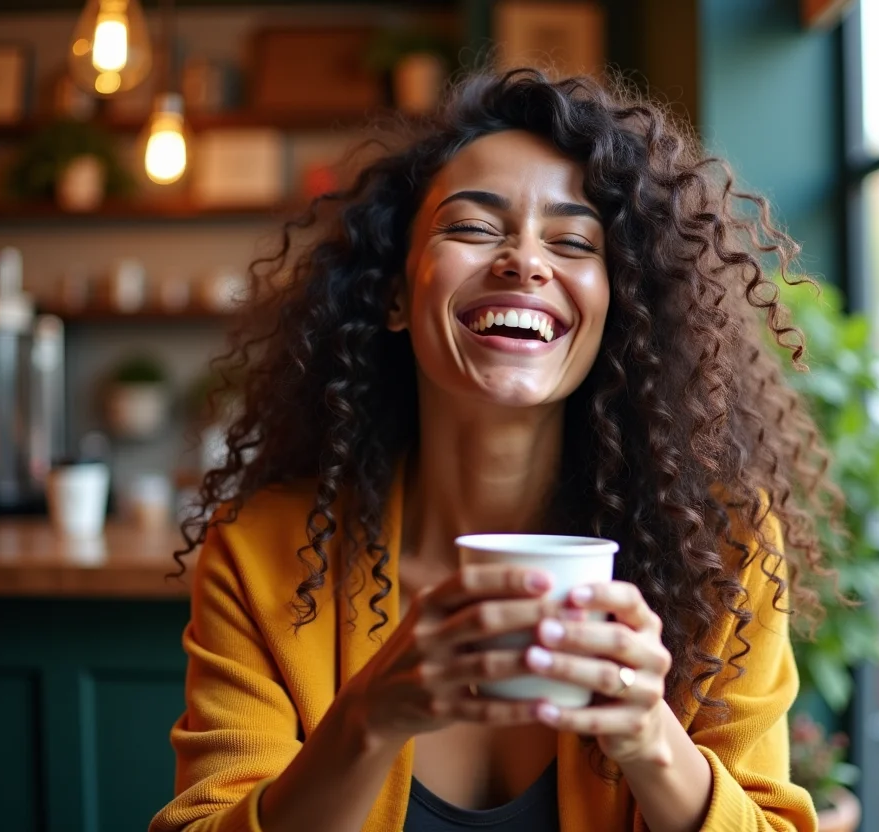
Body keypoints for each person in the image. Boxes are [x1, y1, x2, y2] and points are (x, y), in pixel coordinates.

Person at [150, 68, 837, 832]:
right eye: (473, 228)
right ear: (391, 294)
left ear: (623, 308)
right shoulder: (260, 555)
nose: (525, 261)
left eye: (574, 241)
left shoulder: (719, 554)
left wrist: (652, 741)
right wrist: (368, 720)